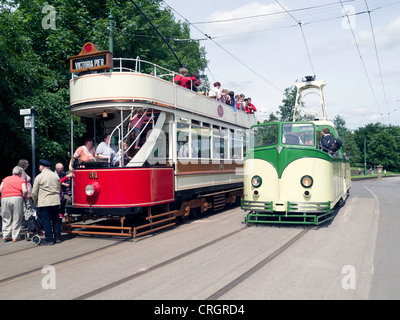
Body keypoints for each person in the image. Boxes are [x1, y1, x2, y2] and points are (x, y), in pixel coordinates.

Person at [31, 159, 61, 245]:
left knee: (46, 221)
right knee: (56, 220)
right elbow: (59, 189)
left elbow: (34, 192)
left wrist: (36, 202)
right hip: (55, 201)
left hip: (44, 202)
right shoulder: (55, 176)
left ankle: (49, 239)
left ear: (42, 167)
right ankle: (58, 237)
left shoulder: (39, 177)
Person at [0, 166, 28, 242]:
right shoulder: (21, 180)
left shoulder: (5, 179)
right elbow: (25, 190)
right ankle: (15, 236)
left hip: (4, 198)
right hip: (17, 198)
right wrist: (25, 196)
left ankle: (6, 235)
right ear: (20, 173)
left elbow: (0, 189)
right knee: (17, 216)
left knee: (6, 217)